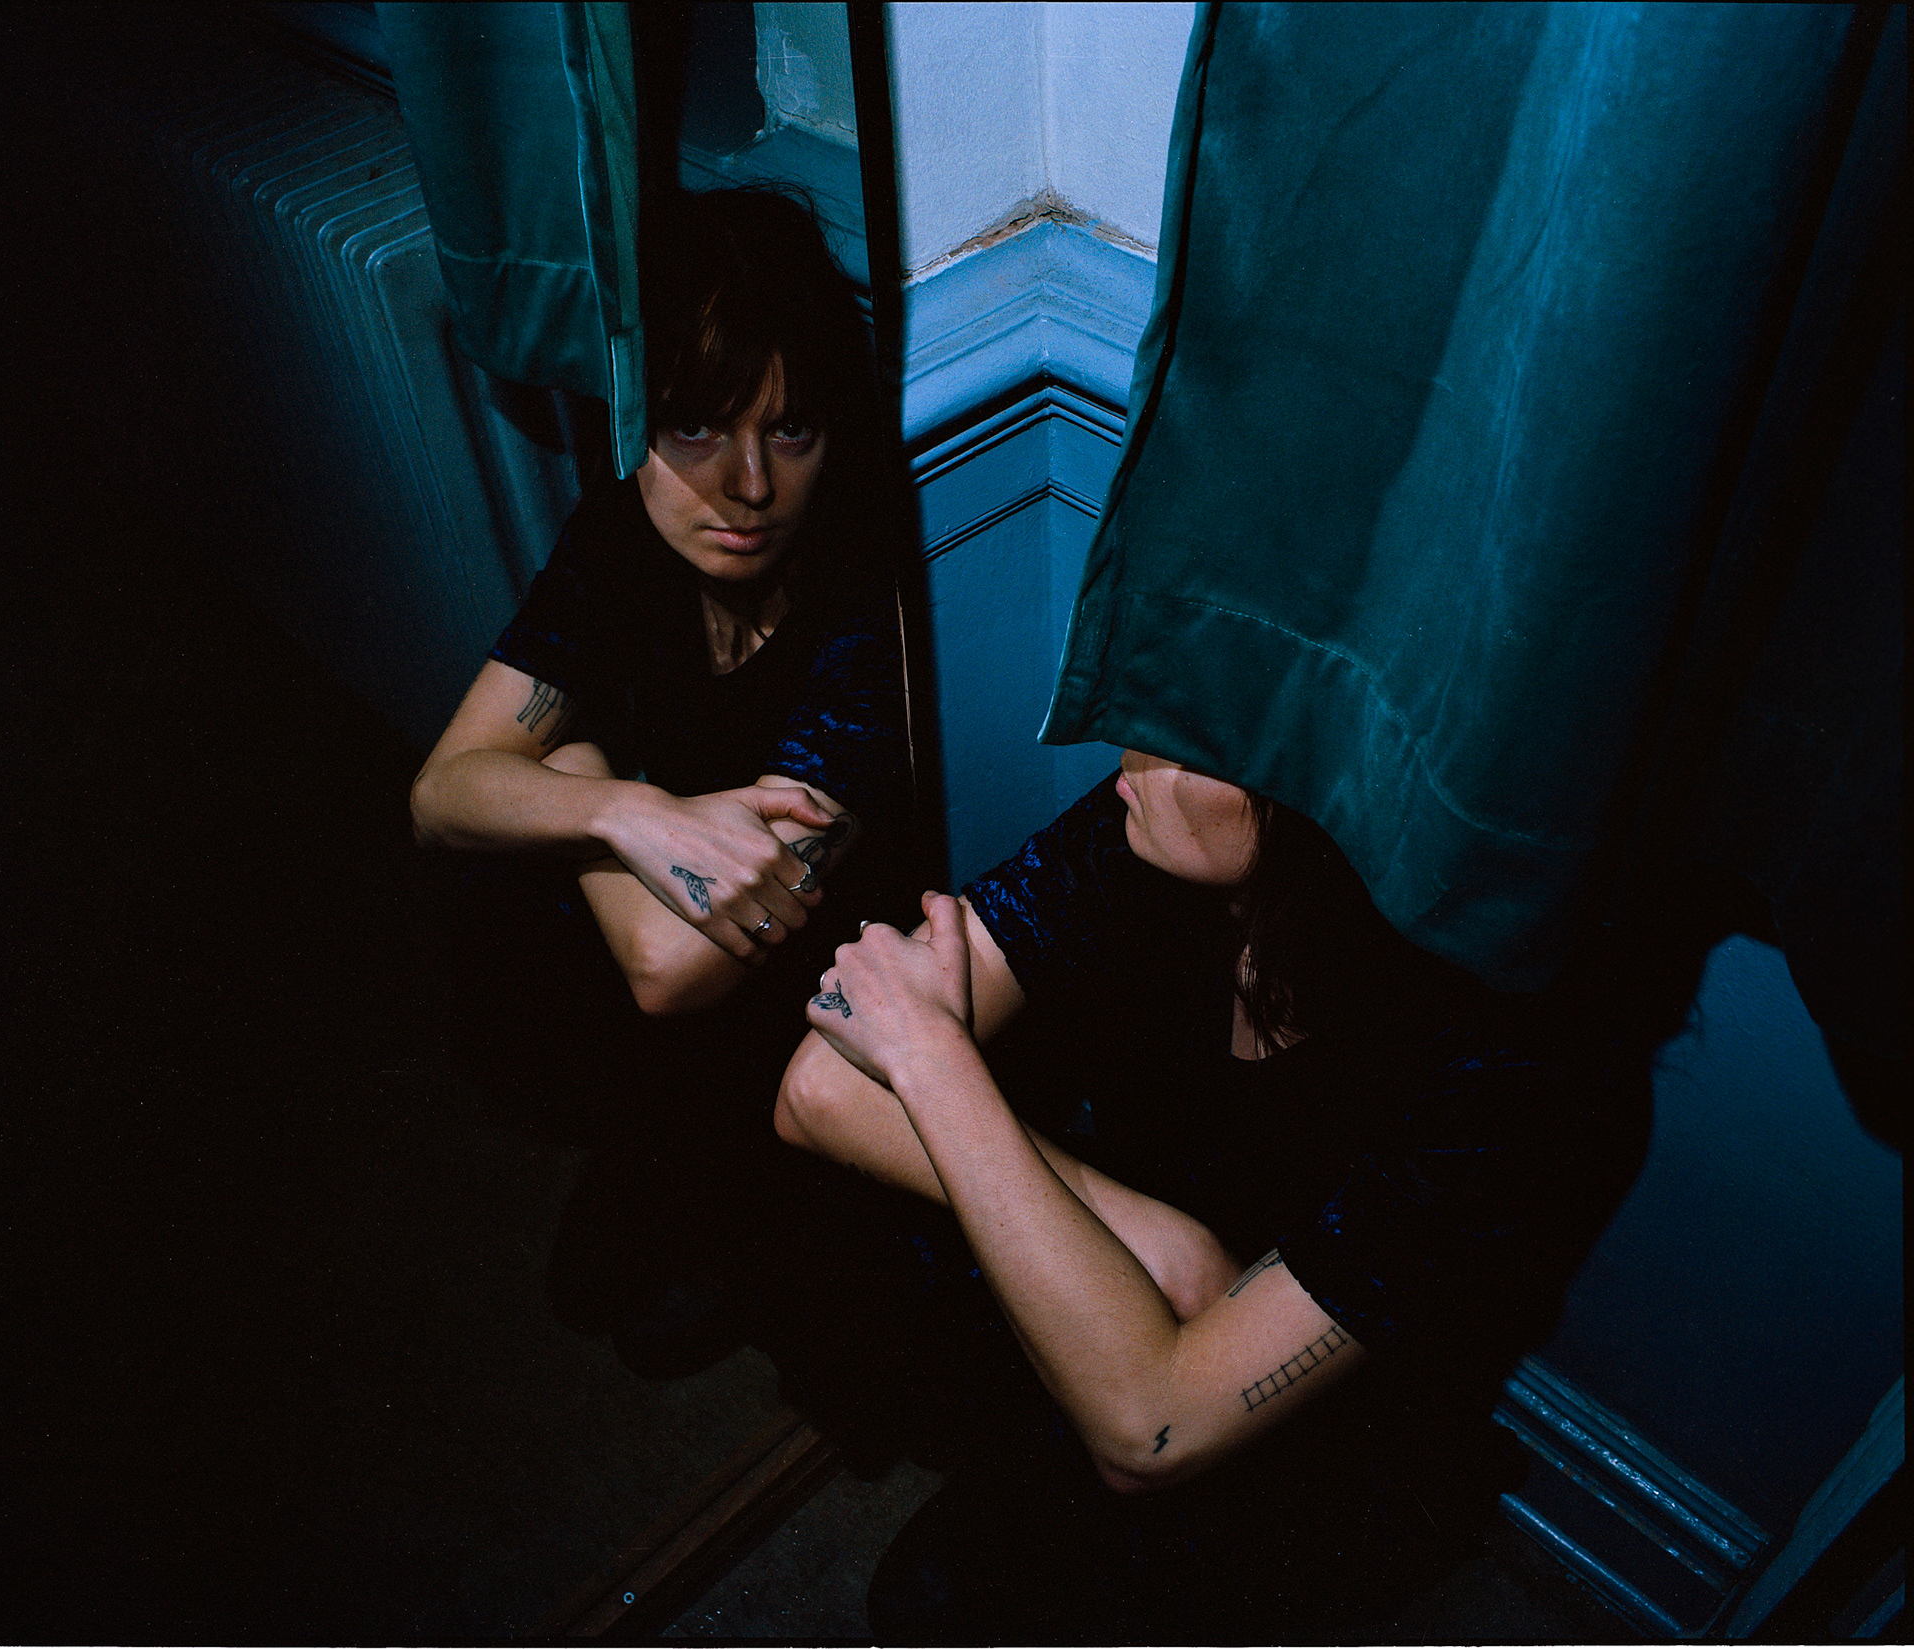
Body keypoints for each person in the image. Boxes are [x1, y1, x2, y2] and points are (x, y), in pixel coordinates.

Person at [776, 754, 1644, 1639]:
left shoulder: (1507, 1066)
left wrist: (931, 1058)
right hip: (1135, 1315)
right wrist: (1164, 1241)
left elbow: (1148, 1432)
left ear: (1329, 798)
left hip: (1314, 1449)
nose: (1132, 745)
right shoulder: (1140, 828)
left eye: (1203, 735)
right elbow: (817, 1091)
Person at [410, 186, 917, 1370]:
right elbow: (439, 794)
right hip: (674, 950)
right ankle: (661, 1156)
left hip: (820, 978)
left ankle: (727, 1195)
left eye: (790, 430)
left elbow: (673, 966)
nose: (750, 486)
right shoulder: (620, 537)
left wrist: (569, 761)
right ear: (637, 421)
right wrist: (629, 807)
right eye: (697, 427)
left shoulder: (863, 593)